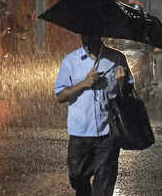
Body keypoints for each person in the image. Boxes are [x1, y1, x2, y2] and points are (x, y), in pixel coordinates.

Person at [54, 35, 134, 196]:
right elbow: (60, 96)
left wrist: (122, 82)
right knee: (77, 177)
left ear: (100, 32)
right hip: (80, 133)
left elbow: (129, 91)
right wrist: (84, 83)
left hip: (108, 133)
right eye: (84, 32)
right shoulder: (71, 60)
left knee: (104, 187)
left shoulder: (117, 58)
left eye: (92, 31)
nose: (87, 36)